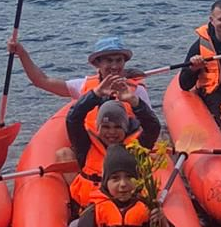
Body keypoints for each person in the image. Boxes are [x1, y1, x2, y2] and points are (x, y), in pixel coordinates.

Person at [65, 75, 161, 209]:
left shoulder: (137, 146)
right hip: (92, 210)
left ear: (126, 128)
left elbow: (153, 127)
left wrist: (134, 101)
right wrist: (95, 95)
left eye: (117, 127)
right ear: (98, 128)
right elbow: (73, 119)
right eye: (106, 127)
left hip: (129, 209)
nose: (111, 133)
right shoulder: (85, 145)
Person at [7, 34, 153, 110]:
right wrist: (22, 54)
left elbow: (150, 124)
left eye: (119, 60)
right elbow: (41, 81)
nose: (115, 66)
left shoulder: (137, 91)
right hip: (93, 152)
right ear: (98, 63)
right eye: (109, 61)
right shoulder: (83, 86)